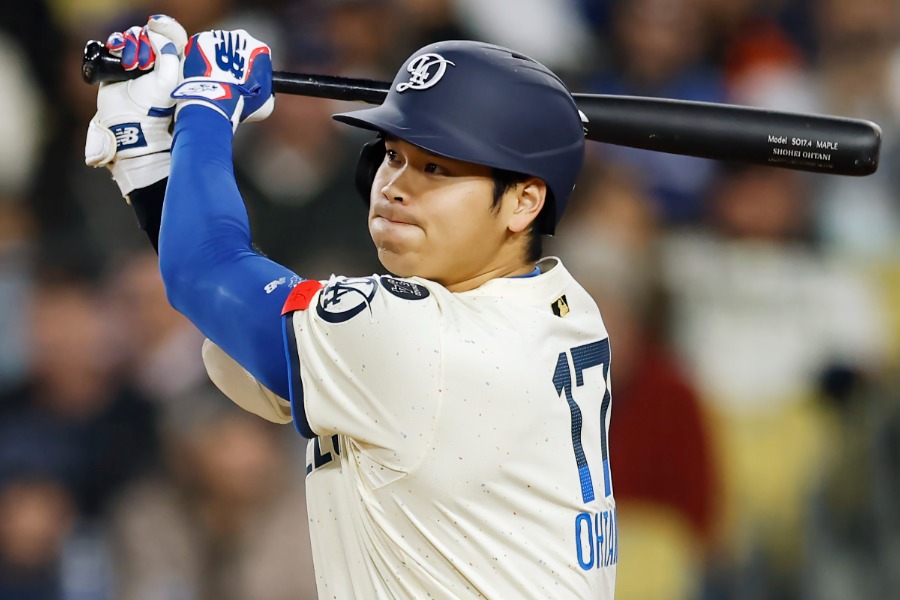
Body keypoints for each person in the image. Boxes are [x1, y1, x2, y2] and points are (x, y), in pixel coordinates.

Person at [85, 15, 616, 599]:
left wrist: (206, 108)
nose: (394, 186)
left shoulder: (426, 340)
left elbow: (205, 272)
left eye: (436, 168)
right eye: (392, 155)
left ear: (524, 203)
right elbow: (228, 305)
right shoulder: (563, 306)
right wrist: (156, 167)